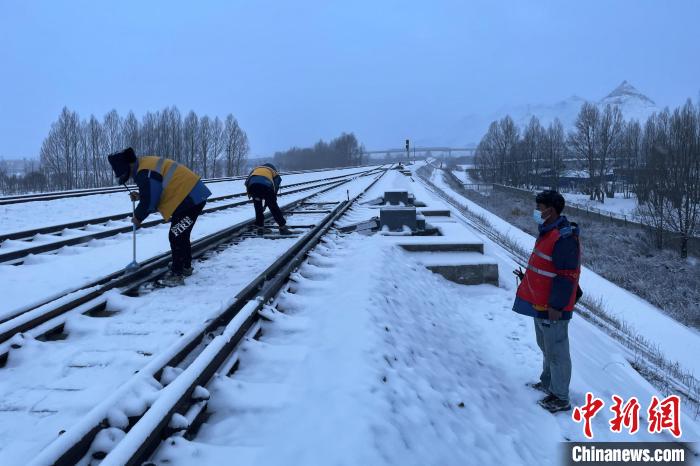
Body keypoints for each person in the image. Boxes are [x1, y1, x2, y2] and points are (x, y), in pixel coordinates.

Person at [512, 190, 581, 413]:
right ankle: (548, 383)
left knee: (558, 351)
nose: (537, 212)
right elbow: (546, 267)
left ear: (551, 210)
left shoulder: (563, 237)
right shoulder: (547, 232)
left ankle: (560, 397)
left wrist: (557, 306)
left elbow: (567, 275)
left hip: (553, 307)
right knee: (546, 347)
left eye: (539, 208)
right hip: (540, 302)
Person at [107, 147, 212, 287]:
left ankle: (177, 274)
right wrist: (140, 196)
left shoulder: (144, 172)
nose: (129, 177)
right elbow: (154, 190)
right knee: (181, 233)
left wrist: (138, 217)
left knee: (176, 235)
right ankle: (185, 266)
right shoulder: (145, 164)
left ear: (129, 165)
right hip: (191, 196)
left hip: (190, 199)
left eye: (126, 173)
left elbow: (150, 200)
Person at [244, 163, 291, 235]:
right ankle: (282, 227)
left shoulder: (255, 169)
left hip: (252, 186)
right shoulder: (273, 172)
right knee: (274, 207)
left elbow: (247, 182)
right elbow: (275, 189)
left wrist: (252, 195)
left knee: (258, 208)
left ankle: (260, 228)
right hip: (266, 186)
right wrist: (269, 202)